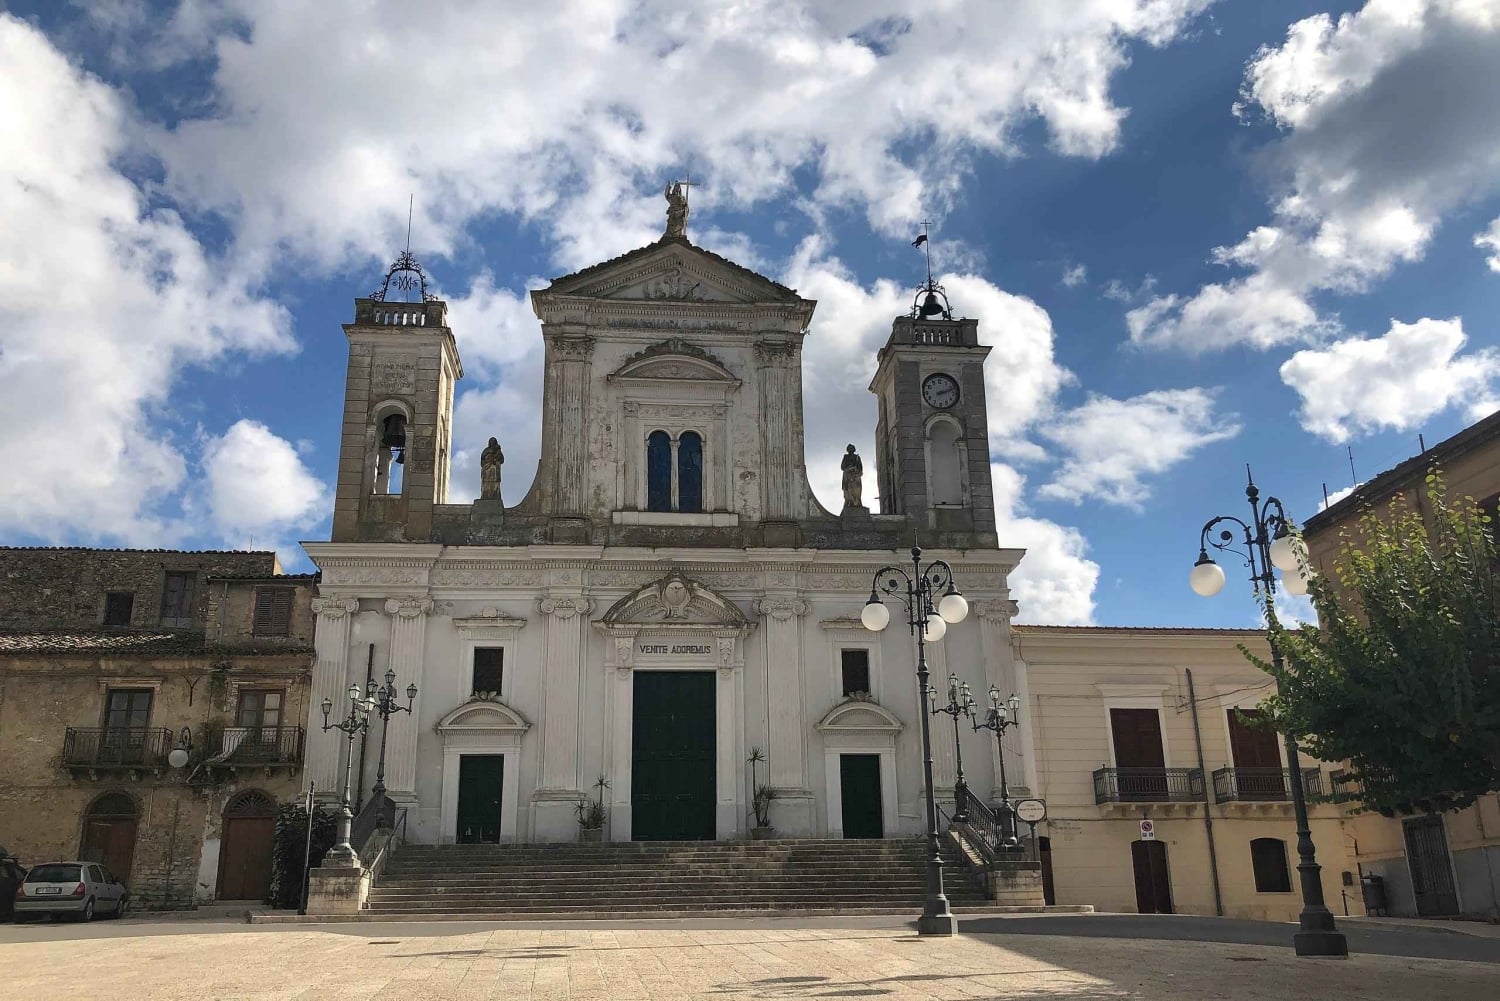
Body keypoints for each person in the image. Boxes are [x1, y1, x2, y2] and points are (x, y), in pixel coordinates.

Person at [841, 444, 864, 509]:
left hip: (856, 476)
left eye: (851, 449)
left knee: (857, 489)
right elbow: (842, 467)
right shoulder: (845, 457)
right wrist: (848, 468)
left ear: (854, 450)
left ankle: (858, 502)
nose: (850, 450)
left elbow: (860, 467)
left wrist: (856, 469)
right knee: (849, 490)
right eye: (849, 449)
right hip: (848, 476)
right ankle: (849, 502)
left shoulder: (857, 457)